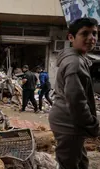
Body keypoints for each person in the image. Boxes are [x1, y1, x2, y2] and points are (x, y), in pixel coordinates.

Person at [49, 18, 99, 169]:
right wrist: (92, 125)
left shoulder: (77, 58)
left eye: (94, 33)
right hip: (68, 123)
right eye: (85, 33)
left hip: (67, 120)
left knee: (80, 160)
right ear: (71, 37)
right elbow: (77, 101)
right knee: (69, 163)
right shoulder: (74, 63)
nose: (92, 38)